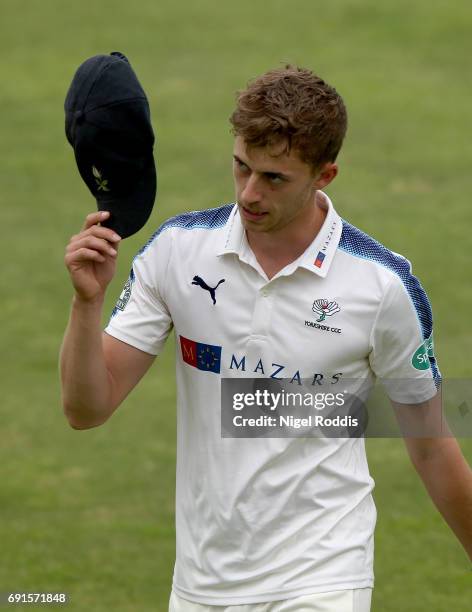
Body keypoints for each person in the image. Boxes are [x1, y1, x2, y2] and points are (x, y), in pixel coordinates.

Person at [60, 65, 472, 612]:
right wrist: (87, 305)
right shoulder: (177, 252)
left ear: (325, 175)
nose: (249, 193)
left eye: (274, 178)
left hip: (322, 575)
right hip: (200, 586)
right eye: (241, 168)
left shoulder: (382, 286)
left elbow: (431, 446)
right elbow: (87, 408)